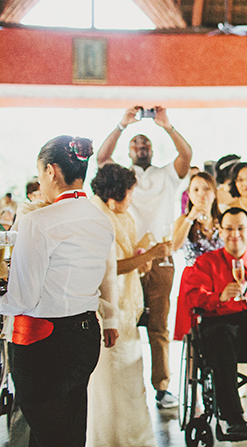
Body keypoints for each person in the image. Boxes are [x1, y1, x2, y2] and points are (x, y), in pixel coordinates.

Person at [0, 136, 117, 447]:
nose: (40, 180)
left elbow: (23, 298)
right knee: (71, 429)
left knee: (44, 435)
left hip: (44, 343)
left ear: (51, 171)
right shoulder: (100, 219)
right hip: (85, 335)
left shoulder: (37, 222)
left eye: (40, 173)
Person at [95, 105, 192, 409]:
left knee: (159, 326)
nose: (141, 146)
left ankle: (162, 388)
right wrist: (123, 124)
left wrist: (166, 125)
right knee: (122, 320)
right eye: (135, 143)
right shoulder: (122, 178)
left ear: (152, 148)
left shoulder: (167, 175)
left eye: (145, 142)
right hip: (126, 258)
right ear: (129, 151)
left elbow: (186, 156)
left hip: (161, 257)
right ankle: (122, 386)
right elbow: (100, 158)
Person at [175, 207, 247, 441]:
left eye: (240, 229)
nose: (234, 234)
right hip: (221, 332)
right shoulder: (205, 263)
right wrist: (218, 297)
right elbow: (192, 296)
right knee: (221, 334)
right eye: (228, 229)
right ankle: (232, 417)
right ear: (220, 231)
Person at [86, 163, 165, 446]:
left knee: (130, 381)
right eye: (130, 192)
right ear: (116, 194)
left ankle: (132, 438)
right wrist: (152, 253)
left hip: (127, 309)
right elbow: (110, 268)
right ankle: (110, 439)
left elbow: (128, 259)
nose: (131, 199)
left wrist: (141, 259)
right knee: (110, 383)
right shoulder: (98, 217)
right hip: (107, 310)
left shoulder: (121, 216)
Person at [178, 172, 226, 263]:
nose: (201, 194)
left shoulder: (224, 220)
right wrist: (191, 217)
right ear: (190, 195)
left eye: (206, 189)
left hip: (220, 274)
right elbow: (174, 247)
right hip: (194, 275)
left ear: (214, 193)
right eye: (196, 190)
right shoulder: (183, 220)